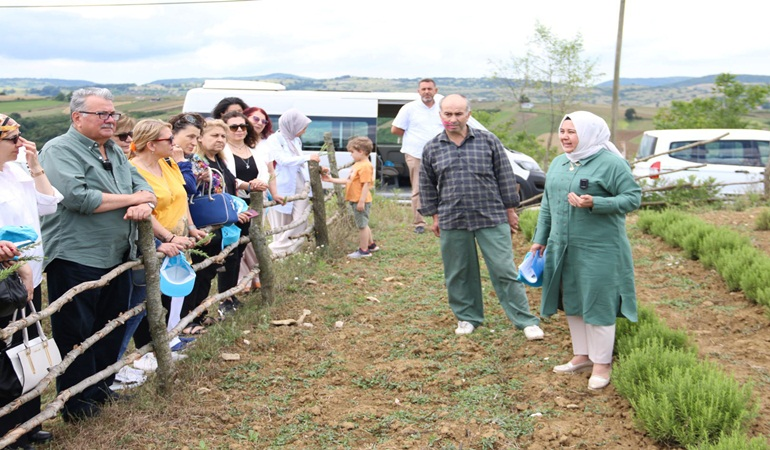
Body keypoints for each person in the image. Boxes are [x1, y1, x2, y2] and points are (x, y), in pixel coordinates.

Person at [39, 87, 156, 422]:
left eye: (112, 113)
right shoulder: (59, 150)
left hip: (118, 254)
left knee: (110, 327)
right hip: (77, 256)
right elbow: (79, 198)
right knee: (76, 333)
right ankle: (77, 405)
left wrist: (144, 201)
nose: (110, 119)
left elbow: (144, 187)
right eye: (101, 114)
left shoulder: (114, 150)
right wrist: (134, 200)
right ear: (77, 117)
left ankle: (100, 390)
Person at [529, 111, 641, 391]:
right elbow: (548, 203)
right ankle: (582, 355)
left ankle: (602, 363)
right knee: (573, 299)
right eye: (562, 131)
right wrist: (540, 238)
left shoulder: (611, 164)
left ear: (590, 134)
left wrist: (596, 203)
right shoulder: (559, 163)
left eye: (572, 132)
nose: (565, 137)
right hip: (563, 245)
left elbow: (632, 198)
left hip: (599, 247)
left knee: (598, 302)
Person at [419, 94, 544, 340]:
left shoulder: (488, 141)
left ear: (468, 114)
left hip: (491, 216)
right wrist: (434, 215)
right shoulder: (432, 148)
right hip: (452, 217)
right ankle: (467, 317)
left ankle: (525, 320)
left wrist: (510, 210)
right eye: (447, 114)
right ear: (440, 115)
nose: (452, 119)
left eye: (458, 114)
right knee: (458, 271)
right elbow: (426, 185)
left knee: (504, 269)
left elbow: (505, 176)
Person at [0, 114, 62, 449]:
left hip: (29, 276)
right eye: (13, 139)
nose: (20, 143)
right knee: (6, 352)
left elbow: (49, 204)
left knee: (27, 344)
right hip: (6, 278)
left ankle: (27, 422)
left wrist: (35, 165)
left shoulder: (17, 171)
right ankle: (8, 432)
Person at [126, 119, 207, 347]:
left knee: (175, 289)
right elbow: (143, 211)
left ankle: (172, 338)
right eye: (169, 139)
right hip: (156, 242)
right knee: (152, 297)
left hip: (178, 239)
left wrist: (191, 227)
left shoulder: (168, 163)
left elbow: (182, 197)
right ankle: (150, 348)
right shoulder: (132, 170)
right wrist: (167, 238)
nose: (174, 143)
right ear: (151, 144)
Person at [265, 109, 320, 255]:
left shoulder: (296, 140)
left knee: (301, 218)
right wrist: (308, 157)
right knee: (281, 221)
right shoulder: (274, 140)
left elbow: (298, 160)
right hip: (281, 184)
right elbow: (282, 160)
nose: (304, 130)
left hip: (299, 181)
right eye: (303, 127)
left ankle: (276, 249)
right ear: (292, 125)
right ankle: (282, 256)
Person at [390, 78, 438, 234]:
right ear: (418, 91)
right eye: (423, 89)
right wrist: (414, 137)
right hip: (416, 153)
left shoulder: (442, 107)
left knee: (443, 186)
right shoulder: (409, 108)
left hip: (440, 153)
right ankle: (419, 223)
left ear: (435, 90)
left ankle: (442, 220)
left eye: (429, 89)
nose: (426, 92)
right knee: (418, 188)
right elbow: (395, 129)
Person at [322, 136, 378, 259]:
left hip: (360, 200)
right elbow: (348, 181)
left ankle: (364, 250)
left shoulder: (365, 166)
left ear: (361, 151)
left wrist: (361, 201)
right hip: (355, 199)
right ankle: (371, 245)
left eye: (352, 152)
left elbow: (366, 184)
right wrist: (331, 180)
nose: (351, 155)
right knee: (363, 223)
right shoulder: (358, 164)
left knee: (362, 226)